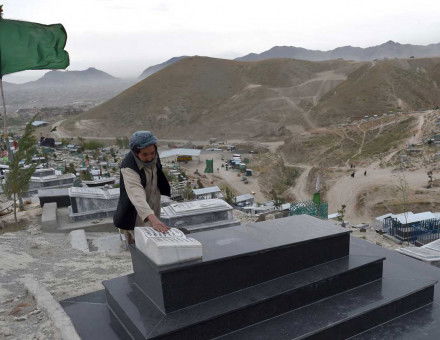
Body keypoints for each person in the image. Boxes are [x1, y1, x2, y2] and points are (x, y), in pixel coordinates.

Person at [113, 131, 171, 244]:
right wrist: (153, 219)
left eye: (152, 153)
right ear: (136, 153)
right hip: (134, 215)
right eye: (145, 154)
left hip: (153, 208)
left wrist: (154, 218)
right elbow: (137, 195)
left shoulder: (153, 155)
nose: (150, 157)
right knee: (137, 246)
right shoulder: (128, 168)